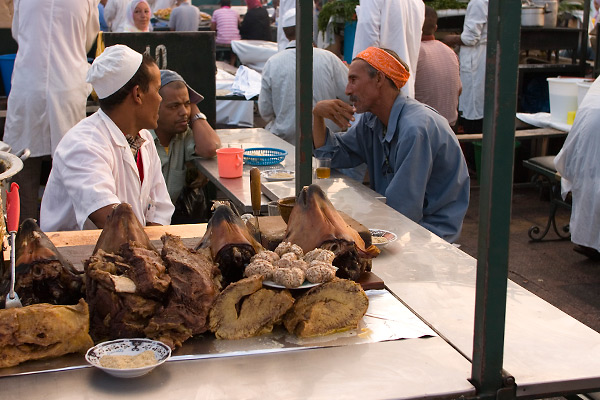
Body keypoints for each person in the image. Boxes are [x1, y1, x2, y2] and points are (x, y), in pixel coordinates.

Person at [312, 47, 470, 242]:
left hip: (429, 233)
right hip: (397, 222)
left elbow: (404, 210)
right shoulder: (372, 120)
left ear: (378, 79)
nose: (347, 90)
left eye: (353, 80)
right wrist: (318, 115)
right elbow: (332, 156)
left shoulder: (415, 129)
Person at [40, 45, 174, 231]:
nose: (160, 99)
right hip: (73, 256)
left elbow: (160, 208)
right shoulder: (84, 145)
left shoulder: (144, 138)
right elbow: (112, 221)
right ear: (137, 94)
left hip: (127, 249)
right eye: (157, 90)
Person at [3, 0, 99, 222]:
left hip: (28, 86)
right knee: (69, 166)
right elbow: (87, 40)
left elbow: (18, 33)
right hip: (66, 86)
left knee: (22, 167)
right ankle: (60, 235)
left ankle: (23, 232)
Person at [259, 8, 349, 144]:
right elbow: (349, 95)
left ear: (285, 33)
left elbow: (265, 112)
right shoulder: (329, 58)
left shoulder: (272, 63)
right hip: (327, 141)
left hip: (287, 142)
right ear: (311, 31)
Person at [151, 70, 221, 222]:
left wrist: (193, 110)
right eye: (174, 106)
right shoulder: (142, 139)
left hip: (164, 223)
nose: (183, 112)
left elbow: (210, 147)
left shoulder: (183, 136)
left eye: (187, 104)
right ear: (154, 105)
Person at [554, 76, 600, 261]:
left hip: (584, 140)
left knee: (589, 183)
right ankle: (591, 242)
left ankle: (590, 242)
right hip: (589, 141)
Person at [351, 0, 425, 99]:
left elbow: (367, 46)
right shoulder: (418, 2)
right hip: (404, 90)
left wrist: (355, 78)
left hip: (379, 95)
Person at [442, 0, 488, 134]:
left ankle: (472, 146)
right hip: (484, 57)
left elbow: (470, 38)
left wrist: (451, 39)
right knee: (481, 105)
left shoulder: (478, 3)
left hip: (477, 59)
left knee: (474, 108)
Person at [415, 6, 462, 127]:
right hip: (450, 127)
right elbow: (459, 90)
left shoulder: (413, 53)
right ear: (435, 28)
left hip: (423, 128)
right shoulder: (450, 52)